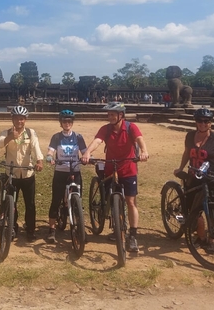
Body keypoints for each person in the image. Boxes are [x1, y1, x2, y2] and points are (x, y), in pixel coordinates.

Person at [82, 102, 149, 253]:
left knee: (131, 202)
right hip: (110, 169)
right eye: (109, 114)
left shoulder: (131, 127)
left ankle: (132, 235)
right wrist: (87, 152)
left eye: (113, 114)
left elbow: (139, 139)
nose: (110, 117)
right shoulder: (105, 129)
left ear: (121, 115)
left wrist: (143, 151)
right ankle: (118, 229)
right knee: (113, 201)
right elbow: (97, 141)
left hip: (128, 168)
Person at [173, 108, 214, 253]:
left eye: (206, 121)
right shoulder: (190, 136)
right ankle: (201, 236)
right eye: (200, 121)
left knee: (213, 210)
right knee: (194, 210)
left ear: (210, 123)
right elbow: (187, 153)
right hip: (195, 176)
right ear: (195, 122)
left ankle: (212, 240)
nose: (203, 124)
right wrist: (180, 168)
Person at [0, 105, 44, 242]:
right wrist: (10, 137)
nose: (19, 121)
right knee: (11, 204)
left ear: (25, 120)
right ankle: (12, 227)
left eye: (22, 119)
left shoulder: (30, 133)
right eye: (16, 118)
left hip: (28, 174)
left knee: (30, 204)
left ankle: (30, 230)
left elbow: (36, 147)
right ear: (12, 119)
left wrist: (39, 161)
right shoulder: (6, 132)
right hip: (12, 174)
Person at [45, 109, 88, 244]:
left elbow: (84, 152)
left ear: (72, 123)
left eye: (69, 121)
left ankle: (80, 228)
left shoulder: (78, 137)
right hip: (60, 171)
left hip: (75, 171)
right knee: (56, 200)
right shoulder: (56, 137)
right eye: (64, 121)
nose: (67, 123)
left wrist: (88, 157)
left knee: (78, 202)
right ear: (61, 123)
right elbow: (50, 151)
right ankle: (52, 230)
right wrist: (49, 157)